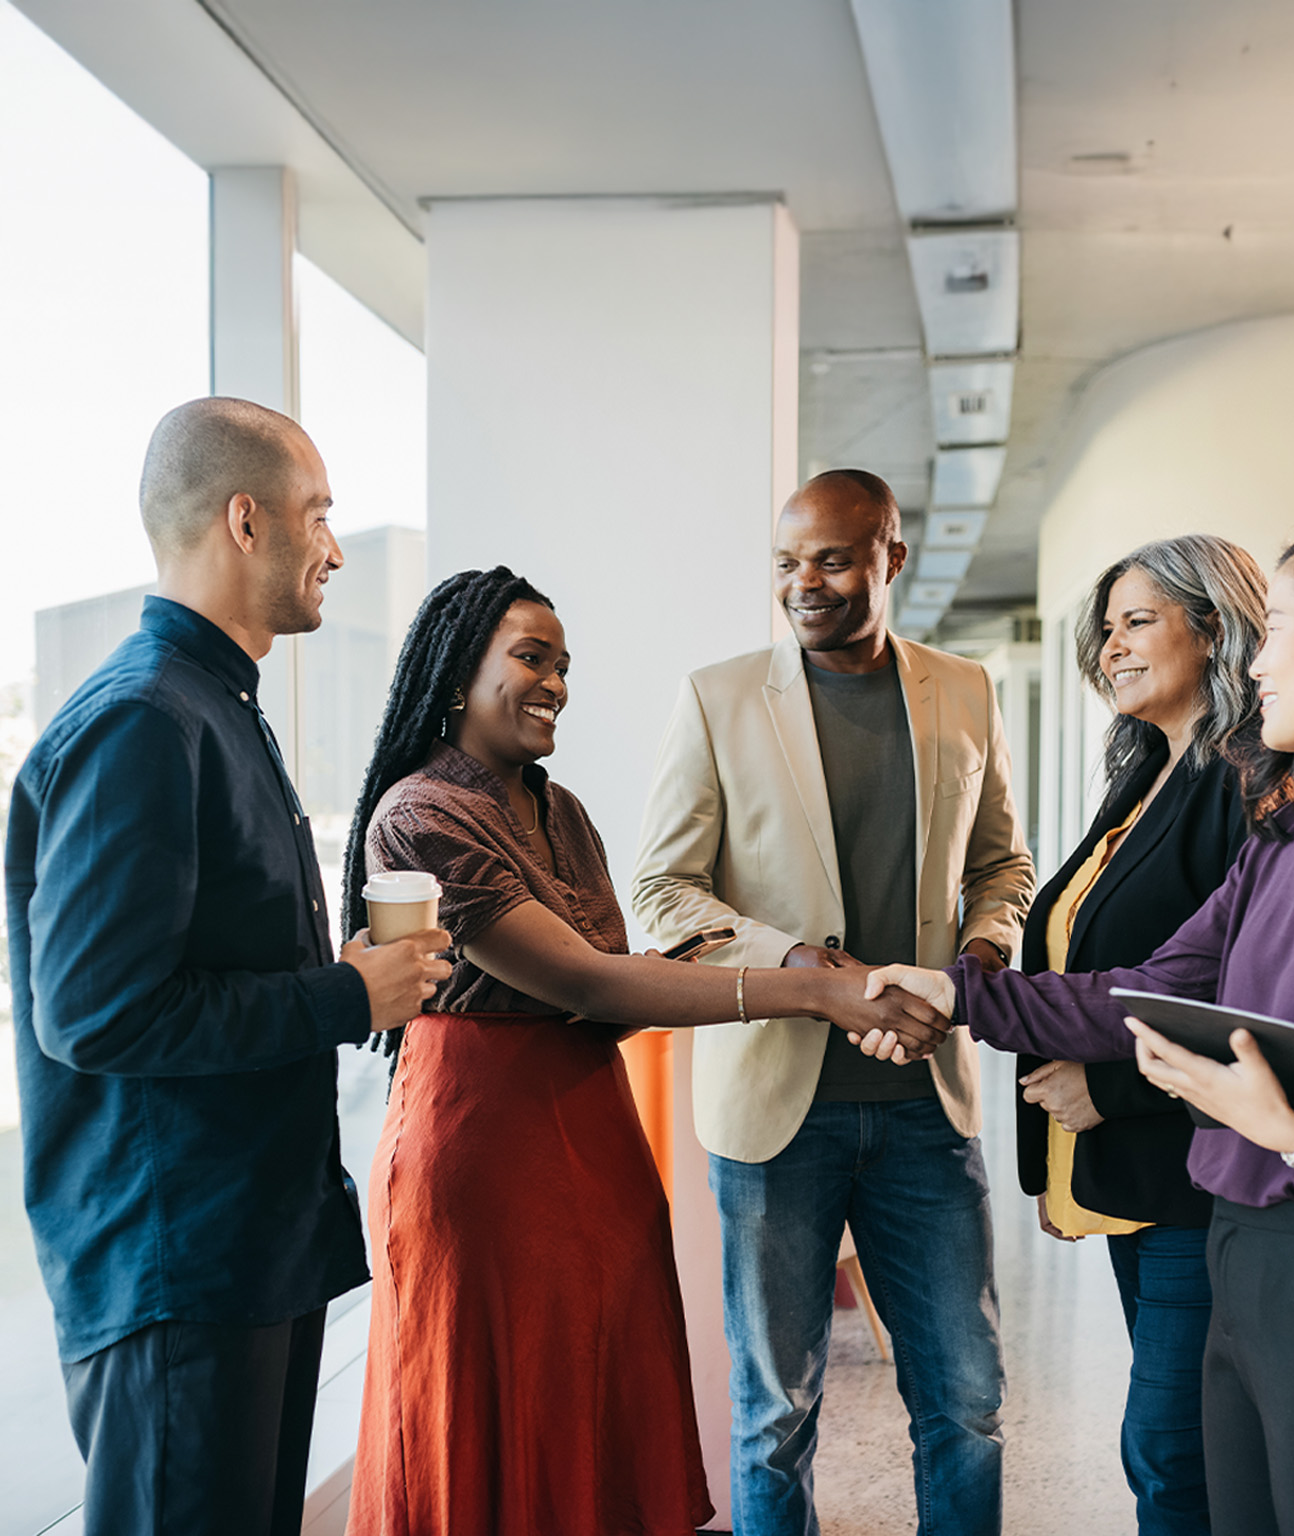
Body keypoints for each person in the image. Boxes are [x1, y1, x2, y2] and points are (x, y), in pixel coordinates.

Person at [856, 508, 1294, 1536]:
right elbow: (1145, 987)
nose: (1255, 662)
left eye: (1281, 630)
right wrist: (960, 993)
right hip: (1237, 1251)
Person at [341, 564, 950, 1536]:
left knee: (592, 1396)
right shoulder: (420, 814)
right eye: (531, 658)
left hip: (593, 1133)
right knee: (496, 1410)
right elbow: (587, 982)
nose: (555, 685)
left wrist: (698, 962)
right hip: (482, 1149)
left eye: (564, 665)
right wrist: (815, 992)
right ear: (457, 674)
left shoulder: (561, 808)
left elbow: (602, 992)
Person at [3, 398, 452, 1536]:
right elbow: (100, 1016)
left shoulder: (213, 706)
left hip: (244, 1253)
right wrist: (347, 995)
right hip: (176, 1271)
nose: (336, 549)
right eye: (319, 516)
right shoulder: (144, 721)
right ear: (246, 520)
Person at [632, 468, 1034, 1536]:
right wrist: (810, 973)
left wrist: (985, 954)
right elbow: (664, 890)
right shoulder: (718, 696)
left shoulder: (965, 690)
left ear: (890, 557)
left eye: (832, 559)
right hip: (774, 1113)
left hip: (925, 1109)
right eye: (785, 562)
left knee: (967, 1402)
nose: (804, 583)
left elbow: (1003, 867)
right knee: (775, 1414)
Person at [1017, 535, 1266, 1534]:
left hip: (1197, 1175)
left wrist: (1107, 1093)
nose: (1111, 646)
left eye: (1137, 621)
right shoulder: (1147, 777)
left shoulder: (1245, 786)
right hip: (1131, 1173)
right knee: (1177, 1445)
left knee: (1172, 1447)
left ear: (1213, 630)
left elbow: (1253, 1006)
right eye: (1105, 628)